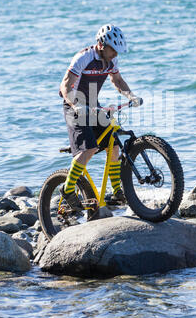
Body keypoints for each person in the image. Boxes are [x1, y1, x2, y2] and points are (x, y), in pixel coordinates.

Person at [59, 24, 142, 211]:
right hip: (73, 105)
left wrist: (131, 96)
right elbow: (65, 86)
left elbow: (117, 81)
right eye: (113, 50)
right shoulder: (83, 58)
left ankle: (116, 192)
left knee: (113, 141)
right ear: (102, 44)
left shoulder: (111, 61)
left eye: (118, 51)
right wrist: (76, 105)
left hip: (92, 106)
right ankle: (68, 189)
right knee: (90, 149)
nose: (116, 54)